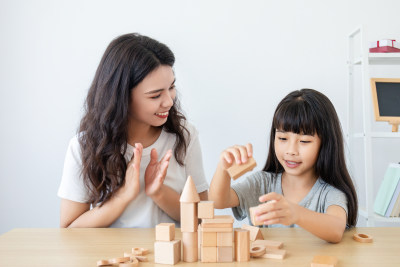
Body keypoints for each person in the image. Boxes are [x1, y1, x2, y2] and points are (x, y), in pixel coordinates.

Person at [58, 33, 208, 228]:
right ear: (121, 97)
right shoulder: (83, 146)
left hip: (173, 256)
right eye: (155, 96)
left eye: (171, 87)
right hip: (116, 258)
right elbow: (69, 229)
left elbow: (203, 217)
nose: (169, 101)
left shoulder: (184, 136)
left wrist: (158, 192)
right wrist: (122, 197)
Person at [209, 89, 358, 243]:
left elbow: (336, 229)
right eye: (282, 138)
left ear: (326, 144)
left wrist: (296, 213)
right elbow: (218, 201)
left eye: (304, 141)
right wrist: (223, 168)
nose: (291, 151)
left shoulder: (329, 193)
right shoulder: (262, 183)